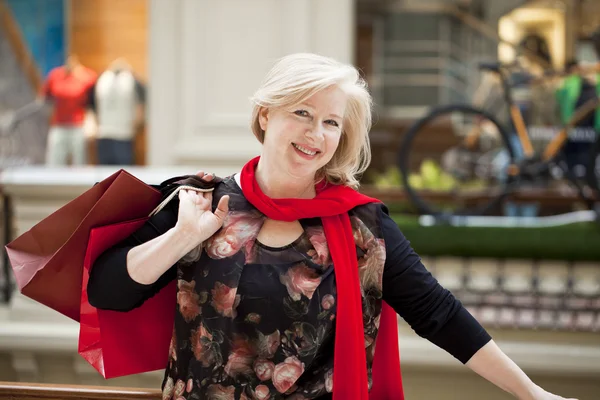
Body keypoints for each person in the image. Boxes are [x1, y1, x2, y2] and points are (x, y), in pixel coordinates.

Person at [87, 53, 577, 400]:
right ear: (265, 114)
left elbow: (440, 315)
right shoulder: (200, 202)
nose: (315, 134)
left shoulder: (363, 225)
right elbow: (107, 292)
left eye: (331, 122)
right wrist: (182, 238)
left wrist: (532, 393)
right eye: (302, 113)